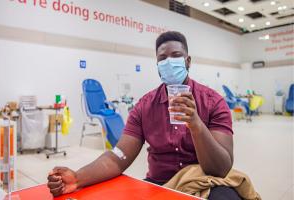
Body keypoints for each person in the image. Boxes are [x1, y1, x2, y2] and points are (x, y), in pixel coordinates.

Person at [47, 31, 241, 199]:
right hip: (158, 183)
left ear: (187, 61)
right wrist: (78, 178)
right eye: (162, 58)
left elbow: (221, 168)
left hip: (205, 181)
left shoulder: (213, 102)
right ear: (157, 65)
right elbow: (117, 158)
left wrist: (196, 125)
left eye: (175, 56)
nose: (168, 62)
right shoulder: (144, 107)